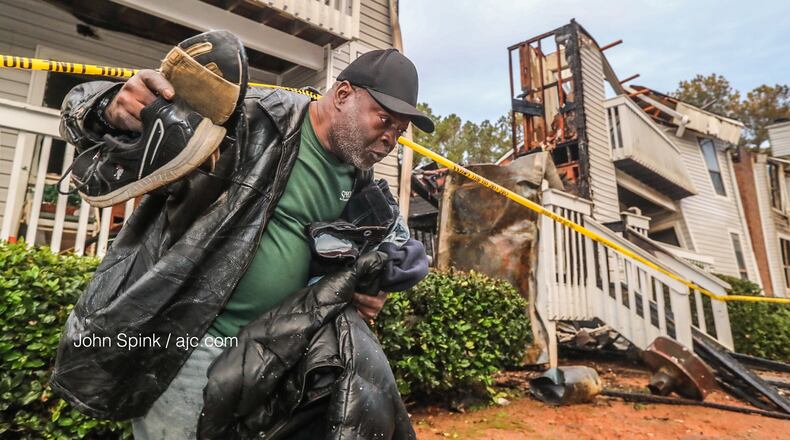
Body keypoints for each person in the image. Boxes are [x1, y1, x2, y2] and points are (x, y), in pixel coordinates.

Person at [52, 31, 433, 439]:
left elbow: (386, 248)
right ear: (342, 94)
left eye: (401, 130)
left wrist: (365, 284)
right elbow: (91, 116)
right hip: (191, 346)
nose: (391, 138)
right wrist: (109, 107)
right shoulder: (251, 118)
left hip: (270, 357)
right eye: (385, 119)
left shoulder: (360, 176)